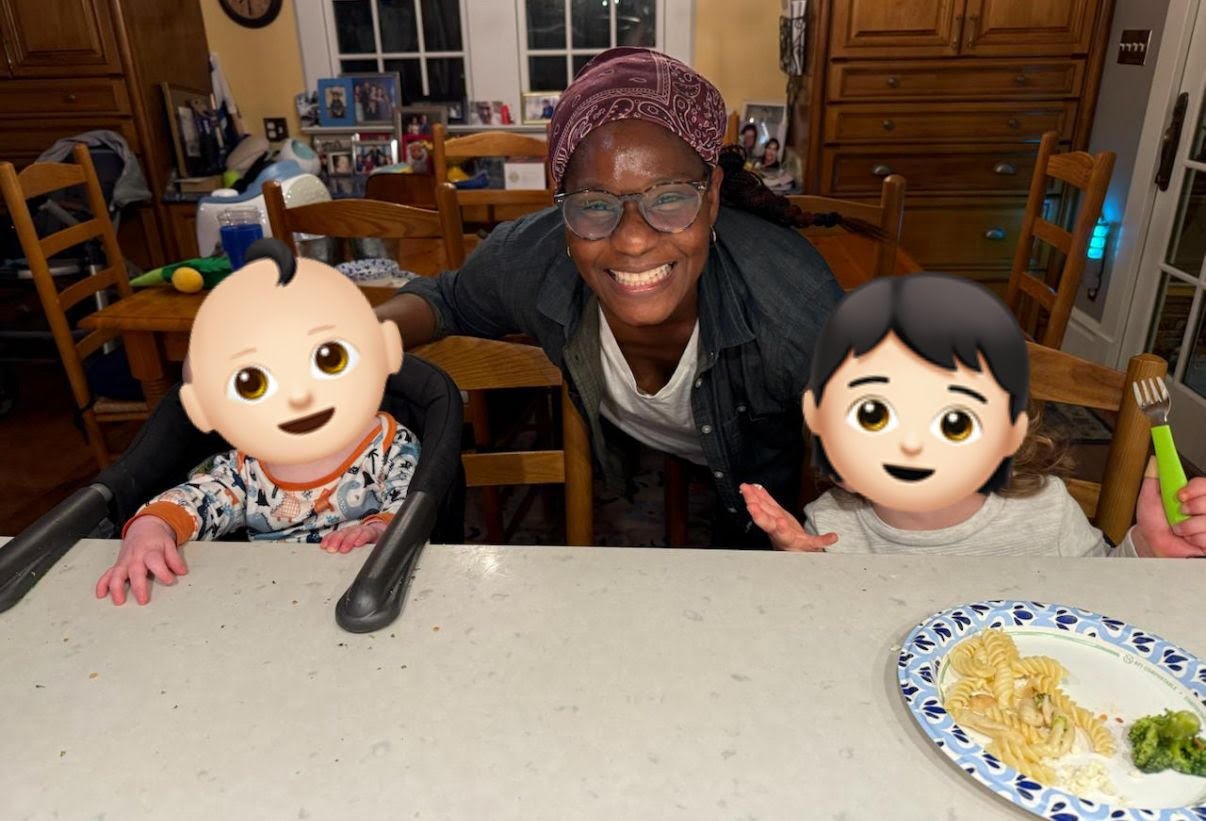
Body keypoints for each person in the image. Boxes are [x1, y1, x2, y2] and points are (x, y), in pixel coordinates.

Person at [376, 47, 858, 547]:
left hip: (763, 506)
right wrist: (356, 340)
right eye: (594, 204)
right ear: (560, 208)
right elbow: (444, 299)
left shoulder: (792, 306)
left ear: (711, 197)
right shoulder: (532, 257)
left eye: (669, 197)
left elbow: (892, 456)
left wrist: (830, 534)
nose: (631, 240)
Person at [740, 273, 1206, 558]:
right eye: (874, 415)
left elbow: (1101, 603)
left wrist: (1146, 547)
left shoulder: (1045, 512)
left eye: (954, 422)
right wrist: (798, 564)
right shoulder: (832, 526)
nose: (910, 444)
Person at [96, 240, 420, 605]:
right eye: (255, 385)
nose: (298, 396)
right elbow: (197, 499)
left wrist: (378, 529)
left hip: (364, 585)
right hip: (271, 597)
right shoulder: (245, 469)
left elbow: (409, 503)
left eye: (327, 361)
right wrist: (151, 527)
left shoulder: (392, 445)